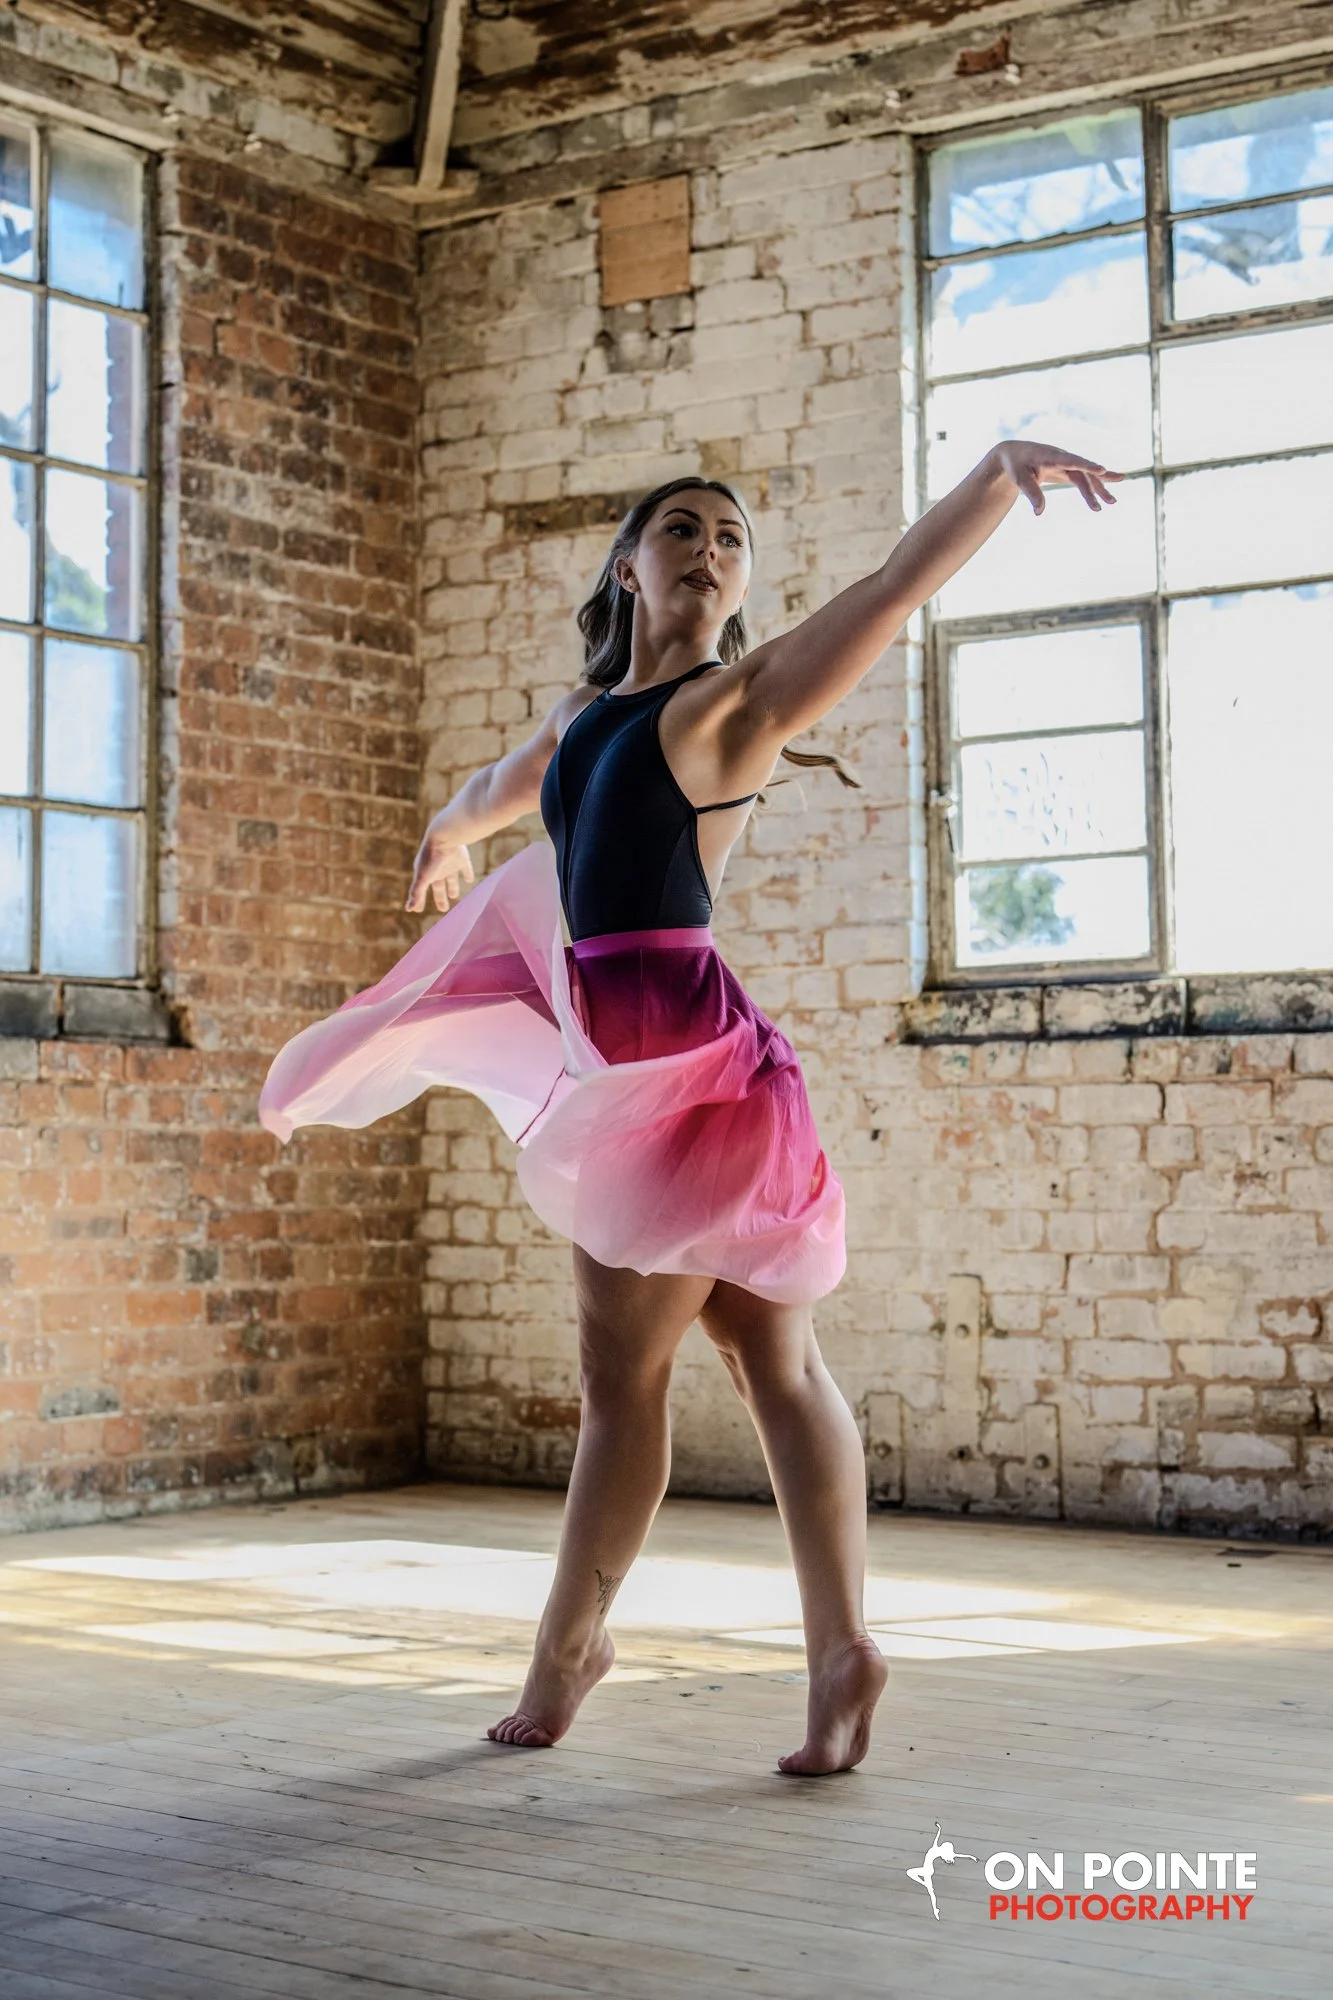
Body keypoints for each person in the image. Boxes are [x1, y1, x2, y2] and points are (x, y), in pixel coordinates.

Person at [260, 439, 1120, 1774]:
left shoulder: (743, 701)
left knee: (625, 1382)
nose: (709, 546)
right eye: (680, 528)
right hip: (662, 1059)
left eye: (729, 536)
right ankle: (841, 1655)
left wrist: (998, 475)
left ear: (737, 584)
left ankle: (568, 1654)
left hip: (677, 1068)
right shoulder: (580, 717)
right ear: (630, 565)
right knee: (771, 1365)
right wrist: (446, 830)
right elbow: (499, 794)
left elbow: (895, 587)